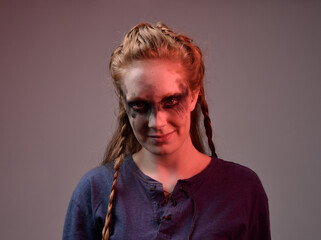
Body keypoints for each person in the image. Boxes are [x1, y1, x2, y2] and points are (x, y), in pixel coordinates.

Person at [63, 23, 271, 240]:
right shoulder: (94, 191)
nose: (157, 122)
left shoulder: (243, 189)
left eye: (171, 101)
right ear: (124, 104)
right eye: (140, 106)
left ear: (193, 96)